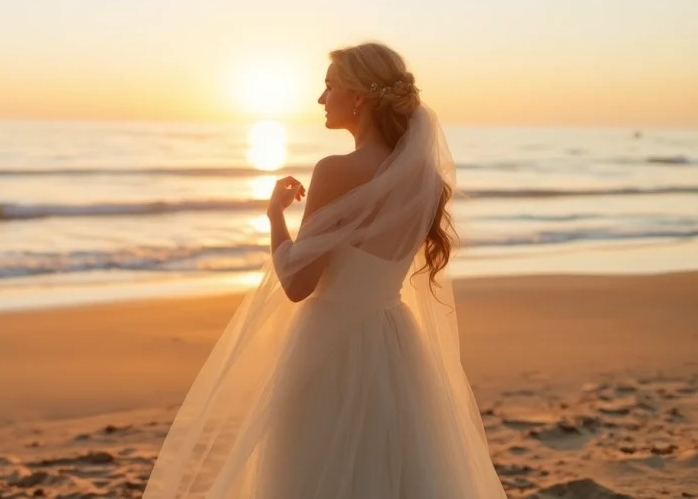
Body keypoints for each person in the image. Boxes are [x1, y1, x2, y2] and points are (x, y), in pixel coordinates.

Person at [142, 42, 506, 498]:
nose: (321, 99)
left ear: (357, 97)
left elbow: (297, 283)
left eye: (329, 86)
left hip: (329, 343)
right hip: (395, 344)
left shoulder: (335, 170)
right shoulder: (426, 182)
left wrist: (274, 216)